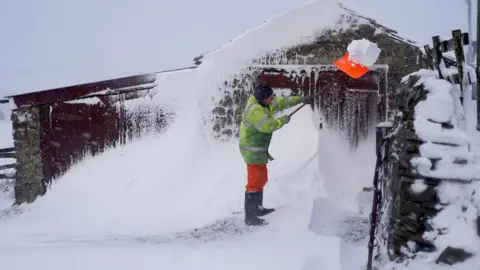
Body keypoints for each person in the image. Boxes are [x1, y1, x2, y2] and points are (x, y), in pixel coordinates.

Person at [239, 82, 313, 226]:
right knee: (254, 182)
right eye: (270, 97)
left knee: (261, 179)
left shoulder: (265, 103)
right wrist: (284, 120)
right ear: (263, 98)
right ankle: (250, 216)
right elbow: (268, 126)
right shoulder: (255, 111)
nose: (273, 99)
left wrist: (300, 99)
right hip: (251, 150)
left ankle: (258, 208)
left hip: (259, 150)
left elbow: (281, 102)